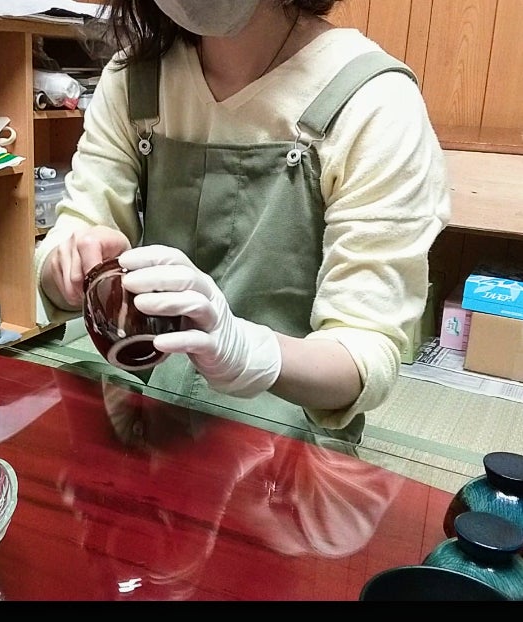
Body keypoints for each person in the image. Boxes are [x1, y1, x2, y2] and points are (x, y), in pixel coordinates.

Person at [34, 0, 451, 446]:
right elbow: (73, 232)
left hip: (288, 447)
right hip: (152, 416)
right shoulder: (133, 78)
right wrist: (70, 264)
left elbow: (365, 355)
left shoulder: (374, 101)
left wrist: (254, 353)